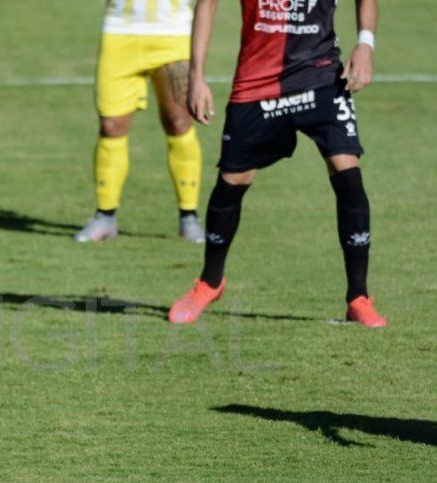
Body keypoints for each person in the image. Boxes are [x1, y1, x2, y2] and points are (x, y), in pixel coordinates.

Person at [168, 0, 386, 327]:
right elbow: (207, 4)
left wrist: (365, 44)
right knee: (233, 179)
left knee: (347, 172)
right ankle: (210, 283)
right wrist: (196, 76)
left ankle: (359, 297)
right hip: (258, 80)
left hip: (321, 74)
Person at [74, 0, 204, 243]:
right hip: (119, 31)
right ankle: (105, 216)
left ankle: (189, 216)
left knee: (179, 123)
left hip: (174, 34)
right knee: (111, 126)